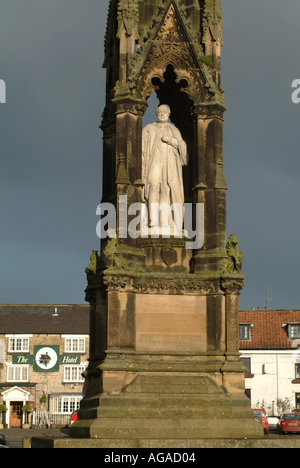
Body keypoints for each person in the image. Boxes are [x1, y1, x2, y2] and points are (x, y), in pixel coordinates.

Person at [142, 105, 188, 231]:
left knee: (166, 191)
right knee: (153, 186)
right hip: (154, 161)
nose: (162, 114)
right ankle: (153, 219)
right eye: (160, 112)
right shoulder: (148, 128)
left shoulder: (174, 130)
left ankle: (165, 221)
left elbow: (182, 146)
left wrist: (170, 140)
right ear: (156, 113)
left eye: (165, 112)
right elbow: (141, 151)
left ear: (169, 114)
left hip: (169, 163)